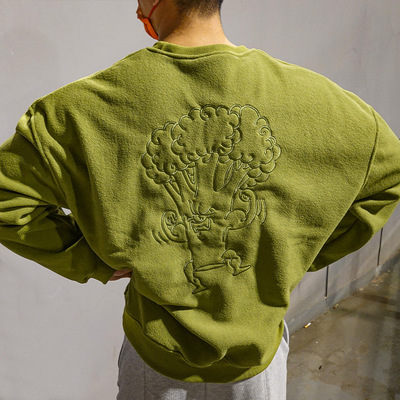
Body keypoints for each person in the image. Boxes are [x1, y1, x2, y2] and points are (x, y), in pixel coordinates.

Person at [0, 0, 399, 399]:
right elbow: (388, 175)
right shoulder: (319, 102)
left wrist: (88, 257)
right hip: (256, 366)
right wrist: (298, 252)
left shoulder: (78, 110)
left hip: (155, 361)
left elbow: (6, 198)